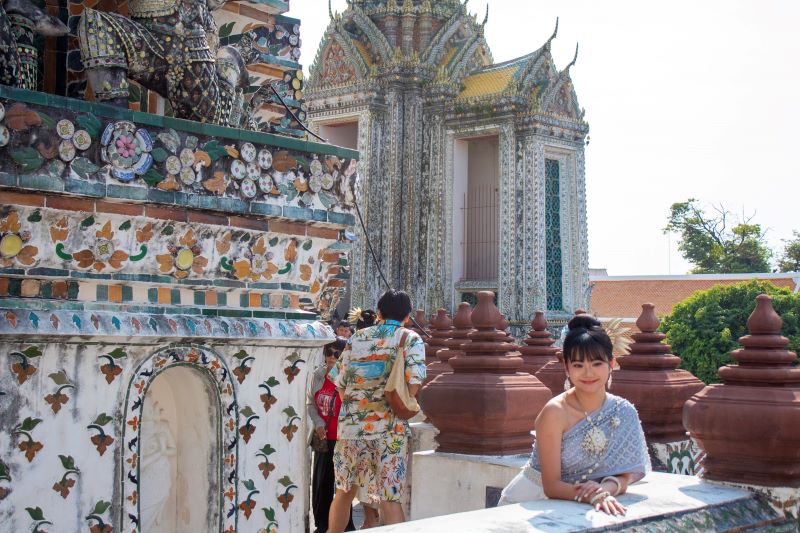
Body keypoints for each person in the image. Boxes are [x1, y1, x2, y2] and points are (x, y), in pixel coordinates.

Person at [499, 314, 650, 515]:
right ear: (567, 367)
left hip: (587, 503)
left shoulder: (624, 412)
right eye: (578, 365)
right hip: (529, 504)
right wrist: (590, 495)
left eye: (597, 364)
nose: (588, 373)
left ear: (611, 363)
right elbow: (551, 486)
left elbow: (627, 474)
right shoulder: (555, 412)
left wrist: (604, 489)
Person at [327, 289, 427, 532]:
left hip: (351, 429)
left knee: (343, 492)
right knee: (389, 497)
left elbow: (338, 382)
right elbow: (414, 386)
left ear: (379, 313)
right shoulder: (410, 339)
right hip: (389, 431)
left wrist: (356, 408)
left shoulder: (357, 337)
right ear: (408, 315)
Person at [307, 338, 355, 533]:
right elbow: (311, 403)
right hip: (324, 439)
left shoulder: (350, 378)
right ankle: (323, 524)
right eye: (329, 353)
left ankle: (345, 525)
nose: (332, 358)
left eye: (337, 354)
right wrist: (318, 424)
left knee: (343, 486)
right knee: (321, 483)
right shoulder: (318, 375)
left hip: (344, 438)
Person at [347, 307, 381, 528]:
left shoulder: (351, 351)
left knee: (363, 479)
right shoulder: (384, 350)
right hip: (380, 423)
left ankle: (370, 521)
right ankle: (371, 522)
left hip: (358, 424)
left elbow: (340, 386)